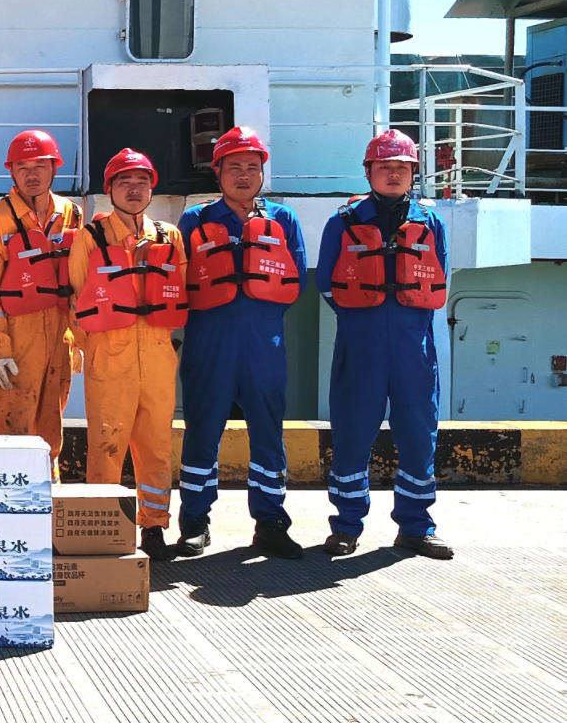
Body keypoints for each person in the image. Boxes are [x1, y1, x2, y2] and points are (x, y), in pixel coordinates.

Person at [316, 129, 452, 559]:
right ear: (368, 172)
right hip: (361, 344)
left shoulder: (431, 222)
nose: (393, 174)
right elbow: (326, 283)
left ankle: (416, 526)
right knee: (352, 432)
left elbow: (440, 276)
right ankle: (346, 526)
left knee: (419, 433)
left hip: (415, 346)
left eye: (401, 167)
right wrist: (364, 314)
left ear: (413, 173)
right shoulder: (342, 221)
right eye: (384, 167)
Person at [176, 127, 307, 559]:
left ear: (263, 173)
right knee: (201, 432)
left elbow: (297, 281)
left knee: (268, 433)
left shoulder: (283, 219)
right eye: (234, 166)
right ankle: (195, 522)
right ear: (218, 172)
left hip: (263, 344)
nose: (244, 175)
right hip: (208, 344)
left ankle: (270, 523)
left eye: (253, 166)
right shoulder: (195, 220)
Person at [69, 148, 186, 561]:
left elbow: (179, 290)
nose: (134, 190)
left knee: (156, 446)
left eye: (142, 182)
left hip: (157, 356)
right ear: (110, 189)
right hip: (109, 355)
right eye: (124, 182)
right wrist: (91, 351)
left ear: (152, 189)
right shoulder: (91, 237)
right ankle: (105, 528)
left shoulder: (169, 237)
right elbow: (77, 298)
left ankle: (153, 526)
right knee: (107, 446)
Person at [0, 129, 82, 469]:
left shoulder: (71, 213)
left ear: (54, 167)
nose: (31, 174)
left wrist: (80, 337)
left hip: (60, 337)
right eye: (22, 167)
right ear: (11, 171)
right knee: (11, 423)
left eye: (40, 165)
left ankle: (48, 487)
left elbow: (79, 280)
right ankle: (7, 490)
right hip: (17, 339)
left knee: (52, 422)